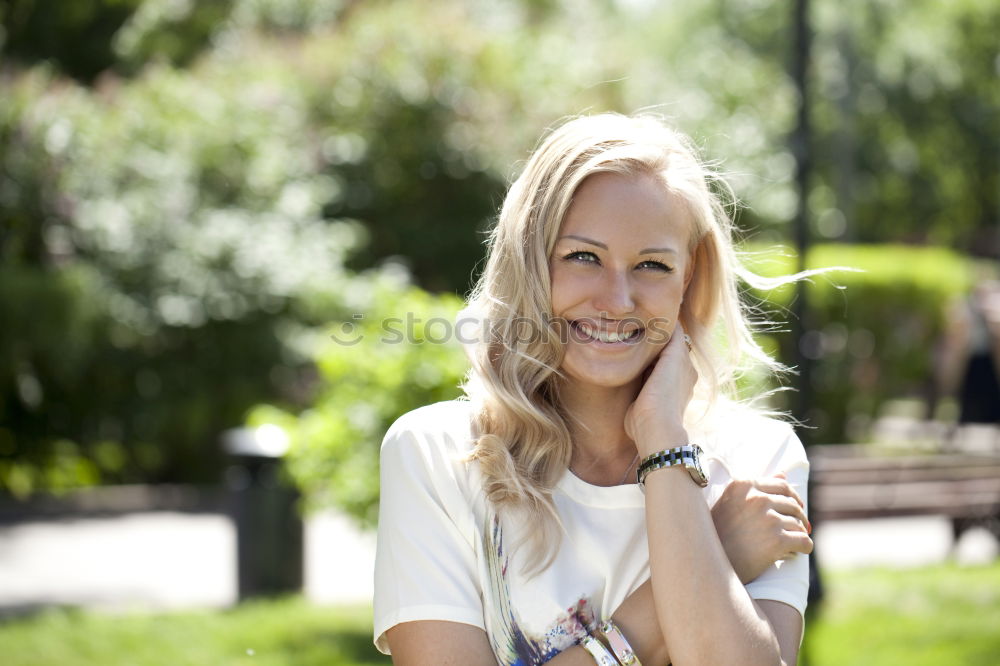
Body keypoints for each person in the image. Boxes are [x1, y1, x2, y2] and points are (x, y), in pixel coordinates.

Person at [373, 113, 814, 665]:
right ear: (529, 261)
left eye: (652, 264)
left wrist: (663, 445)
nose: (617, 300)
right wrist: (717, 553)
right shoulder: (439, 455)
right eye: (584, 257)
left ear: (689, 278)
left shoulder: (757, 461)